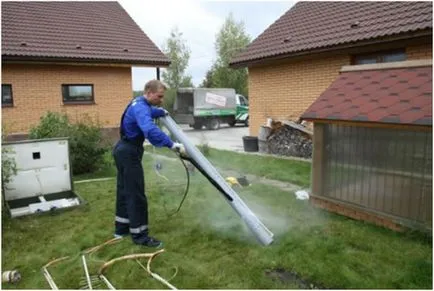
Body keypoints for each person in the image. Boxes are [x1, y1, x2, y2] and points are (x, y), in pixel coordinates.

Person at [112, 79, 186, 248]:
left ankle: (121, 229)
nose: (161, 99)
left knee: (124, 190)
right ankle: (140, 236)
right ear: (149, 92)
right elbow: (149, 129)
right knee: (136, 194)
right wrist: (171, 144)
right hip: (128, 152)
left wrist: (159, 112)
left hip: (123, 149)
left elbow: (148, 112)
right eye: (159, 96)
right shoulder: (140, 107)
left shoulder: (139, 103)